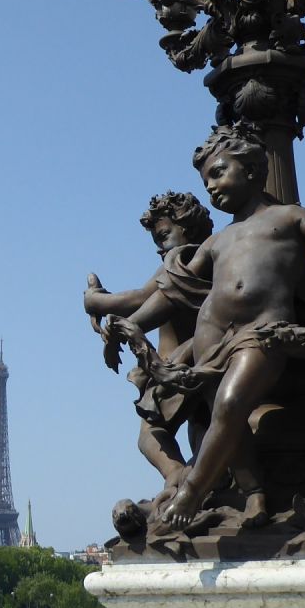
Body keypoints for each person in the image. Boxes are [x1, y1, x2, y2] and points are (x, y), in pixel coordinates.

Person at [118, 124, 305, 529]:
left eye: (218, 172)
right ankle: (253, 492)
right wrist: (129, 324)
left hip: (263, 334)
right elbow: (173, 291)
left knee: (230, 405)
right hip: (211, 340)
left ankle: (192, 490)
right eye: (205, 181)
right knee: (226, 418)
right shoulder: (217, 240)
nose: (211, 187)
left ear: (253, 170)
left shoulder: (289, 217)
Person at [84, 192, 220, 501]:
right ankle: (200, 479)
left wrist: (95, 300)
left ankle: (177, 478)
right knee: (202, 427)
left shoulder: (182, 260)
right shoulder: (213, 262)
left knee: (149, 435)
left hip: (177, 366)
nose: (159, 246)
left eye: (163, 235)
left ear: (187, 227)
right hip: (198, 360)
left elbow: (139, 298)